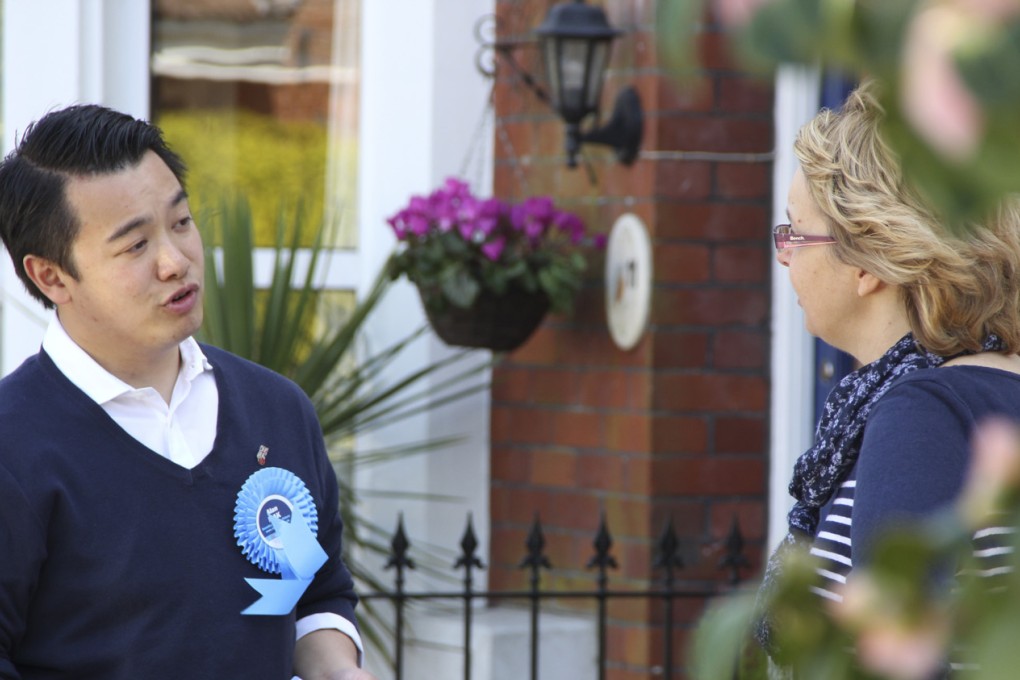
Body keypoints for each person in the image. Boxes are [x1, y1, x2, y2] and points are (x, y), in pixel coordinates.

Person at [0, 104, 377, 680]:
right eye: (134, 246)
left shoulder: (277, 409)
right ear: (52, 276)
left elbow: (316, 594)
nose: (177, 262)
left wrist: (340, 671)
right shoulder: (14, 444)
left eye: (181, 222)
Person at [756, 81, 1020, 662]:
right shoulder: (994, 386)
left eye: (794, 233)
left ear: (865, 262)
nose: (783, 255)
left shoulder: (921, 412)